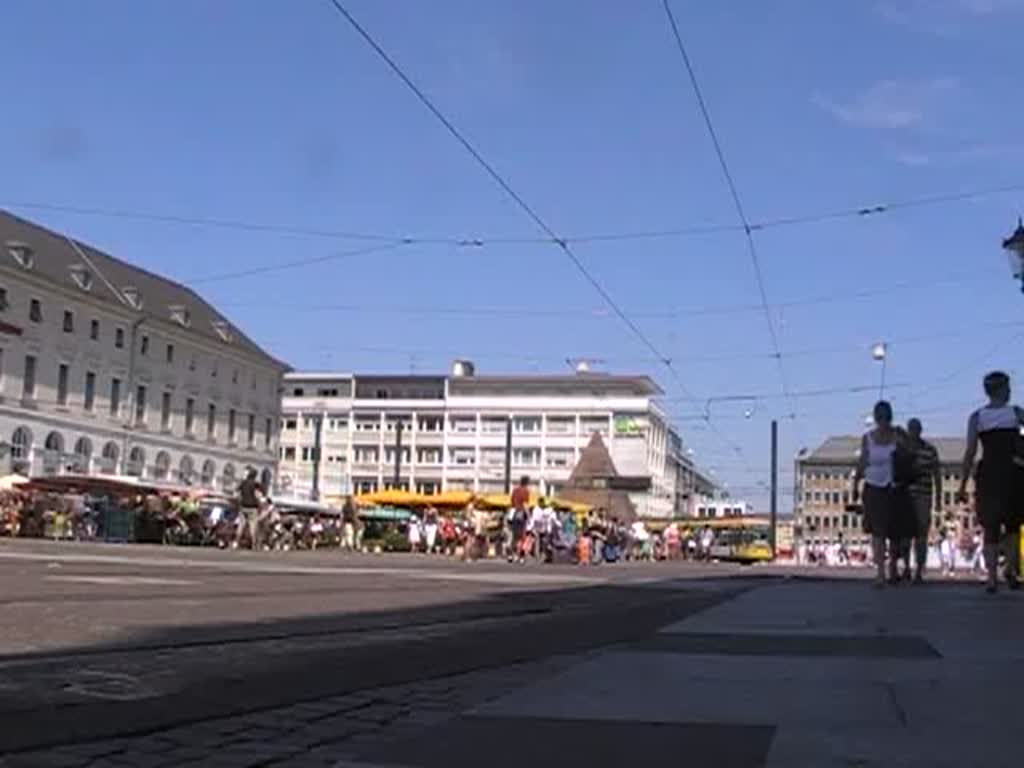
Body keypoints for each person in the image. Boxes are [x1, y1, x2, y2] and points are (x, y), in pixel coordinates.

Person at [956, 371, 1024, 593]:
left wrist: (963, 485)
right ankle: (1011, 571)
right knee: (1013, 526)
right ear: (1003, 390)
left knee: (990, 528)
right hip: (1013, 472)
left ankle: (992, 578)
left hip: (989, 473)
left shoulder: (977, 417)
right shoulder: (1016, 413)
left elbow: (970, 452)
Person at [853, 401, 903, 587]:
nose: (882, 420)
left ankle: (893, 569)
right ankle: (881, 572)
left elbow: (906, 456)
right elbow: (863, 462)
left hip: (892, 487)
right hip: (873, 487)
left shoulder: (898, 435)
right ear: (875, 418)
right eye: (879, 417)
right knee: (877, 532)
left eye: (885, 417)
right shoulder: (868, 438)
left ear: (890, 417)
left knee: (894, 531)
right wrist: (855, 484)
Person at [905, 418, 942, 583]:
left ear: (920, 431)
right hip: (905, 497)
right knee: (905, 534)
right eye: (911, 429)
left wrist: (939, 499)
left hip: (924, 497)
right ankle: (906, 567)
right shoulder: (903, 449)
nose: (913, 432)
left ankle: (919, 570)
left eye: (916, 429)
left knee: (921, 535)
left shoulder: (930, 450)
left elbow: (937, 475)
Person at [235, 469, 264, 550]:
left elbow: (237, 492)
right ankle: (254, 544)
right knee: (253, 526)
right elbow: (259, 495)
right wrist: (260, 505)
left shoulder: (243, 483)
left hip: (243, 506)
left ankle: (236, 542)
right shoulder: (256, 484)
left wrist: (239, 501)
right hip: (252, 507)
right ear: (255, 476)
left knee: (241, 525)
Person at [509, 476, 531, 563]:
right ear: (527, 483)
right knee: (522, 537)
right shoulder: (525, 491)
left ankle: (511, 555)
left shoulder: (515, 490)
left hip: (513, 514)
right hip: (521, 514)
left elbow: (512, 502)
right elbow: (525, 504)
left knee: (514, 537)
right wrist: (529, 516)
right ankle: (521, 556)